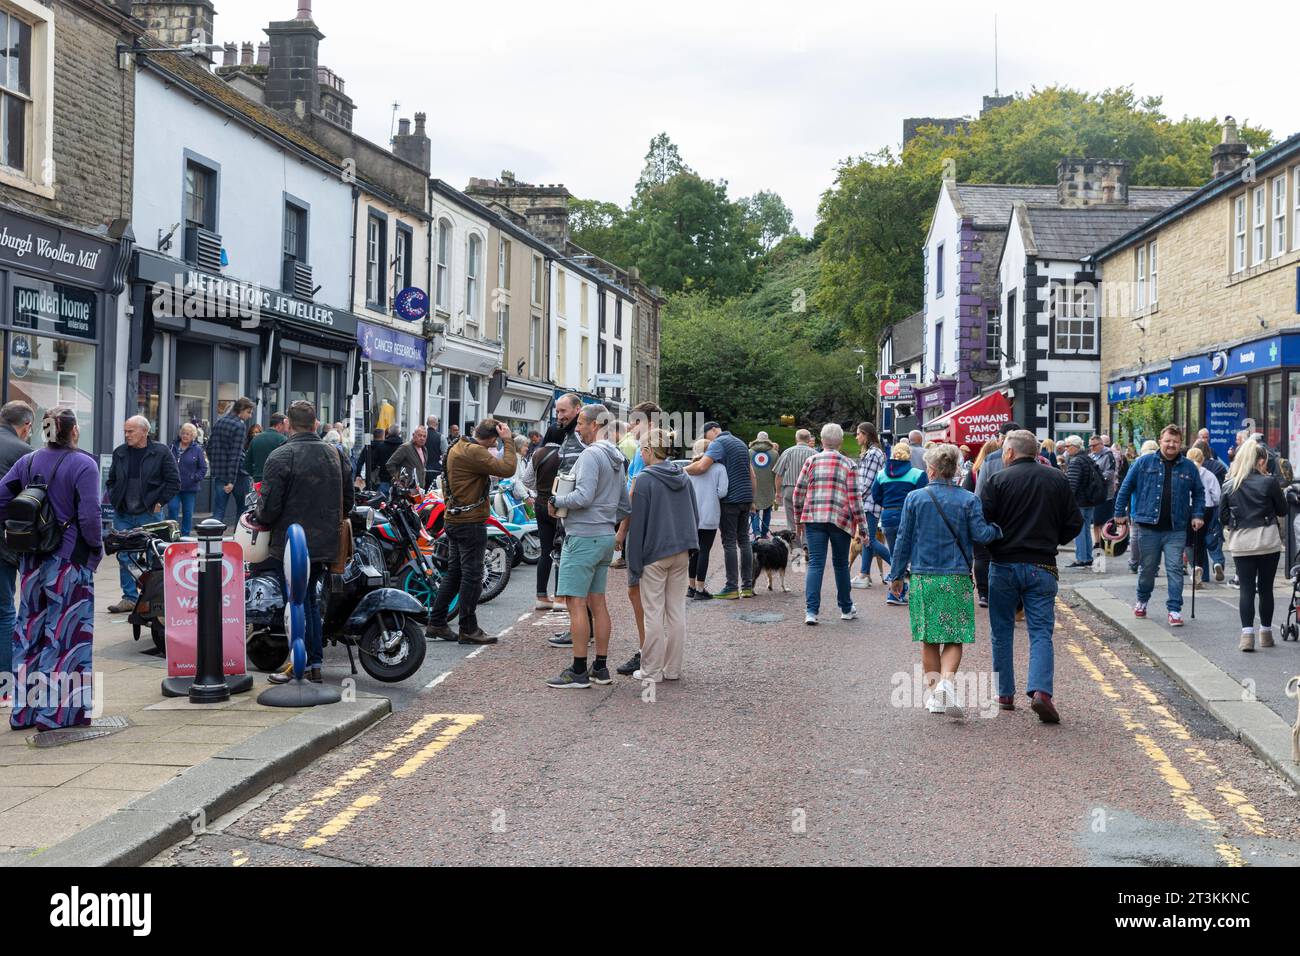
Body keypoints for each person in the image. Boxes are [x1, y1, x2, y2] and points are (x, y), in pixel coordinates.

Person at [0, 407, 102, 728]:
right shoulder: (85, 464)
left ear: (44, 430)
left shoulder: (27, 462)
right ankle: (57, 715)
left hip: (31, 560)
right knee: (66, 637)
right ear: (74, 431)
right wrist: (96, 551)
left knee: (28, 634)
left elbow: (1, 498)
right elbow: (90, 518)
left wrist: (18, 529)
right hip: (69, 562)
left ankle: (23, 713)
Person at [888, 443, 1000, 718]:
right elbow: (982, 535)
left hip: (924, 576)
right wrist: (998, 528)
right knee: (953, 636)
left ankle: (936, 695)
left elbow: (903, 540)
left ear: (932, 469)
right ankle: (947, 684)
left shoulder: (914, 498)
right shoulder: (969, 500)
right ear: (954, 470)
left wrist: (897, 575)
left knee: (928, 639)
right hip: (957, 575)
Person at [979, 429, 1082, 722]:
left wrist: (993, 544)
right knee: (1040, 632)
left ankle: (1005, 694)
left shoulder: (996, 480)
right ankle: (1041, 692)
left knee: (1001, 632)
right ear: (1036, 452)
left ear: (1009, 453)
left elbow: (982, 523)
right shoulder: (1057, 479)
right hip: (1042, 564)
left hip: (1003, 564)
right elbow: (1074, 523)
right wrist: (1053, 539)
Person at [255, 400, 354, 684]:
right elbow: (348, 502)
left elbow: (269, 507)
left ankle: (306, 663)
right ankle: (312, 663)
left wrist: (260, 517)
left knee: (298, 602)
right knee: (309, 600)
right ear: (315, 425)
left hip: (291, 545)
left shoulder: (281, 456)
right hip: (326, 543)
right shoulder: (336, 454)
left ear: (288, 424)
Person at [545, 405, 631, 688]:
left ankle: (578, 670)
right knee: (598, 602)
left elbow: (582, 496)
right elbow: (624, 505)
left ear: (596, 425)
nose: (577, 428)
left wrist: (557, 501)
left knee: (575, 603)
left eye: (581, 423)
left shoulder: (591, 454)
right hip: (605, 534)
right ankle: (601, 667)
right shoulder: (617, 456)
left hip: (583, 536)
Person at [427, 419, 516, 647]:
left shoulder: (458, 445)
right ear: (493, 438)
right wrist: (509, 441)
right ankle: (468, 628)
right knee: (473, 575)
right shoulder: (475, 452)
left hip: (454, 519)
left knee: (455, 573)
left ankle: (437, 622)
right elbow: (507, 469)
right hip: (469, 522)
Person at [621, 428, 698, 683]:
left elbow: (637, 524)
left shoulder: (644, 479)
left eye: (642, 450)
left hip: (654, 554)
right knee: (676, 612)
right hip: (681, 550)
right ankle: (672, 669)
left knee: (653, 613)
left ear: (648, 451)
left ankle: (651, 670)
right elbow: (694, 514)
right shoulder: (683, 475)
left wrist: (633, 565)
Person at [1113, 424, 1205, 627]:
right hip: (1148, 527)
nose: (1171, 445)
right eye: (1168, 441)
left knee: (1174, 568)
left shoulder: (1189, 467)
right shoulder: (1143, 462)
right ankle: (1142, 600)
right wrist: (1119, 513)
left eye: (1175, 441)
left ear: (1181, 444)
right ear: (1161, 441)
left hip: (1176, 528)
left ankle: (1174, 609)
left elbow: (1199, 493)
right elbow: (1125, 488)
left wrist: (1198, 515)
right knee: (1147, 569)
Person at [105, 416, 180, 613]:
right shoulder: (120, 453)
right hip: (123, 514)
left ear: (145, 432)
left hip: (150, 514)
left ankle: (150, 598)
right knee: (124, 555)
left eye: (131, 431)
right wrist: (115, 499)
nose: (127, 435)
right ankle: (129, 598)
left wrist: (159, 503)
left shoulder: (161, 452)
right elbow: (111, 480)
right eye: (125, 431)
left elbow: (174, 481)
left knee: (153, 556)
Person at [793, 423, 865, 625]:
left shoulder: (811, 461)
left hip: (814, 518)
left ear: (822, 441)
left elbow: (799, 492)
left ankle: (811, 611)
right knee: (841, 564)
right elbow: (855, 499)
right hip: (840, 519)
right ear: (841, 441)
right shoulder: (849, 464)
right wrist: (863, 526)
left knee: (815, 563)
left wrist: (798, 520)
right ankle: (845, 607)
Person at [1220, 438, 1287, 652]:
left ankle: (1246, 636)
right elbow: (1283, 510)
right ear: (1260, 461)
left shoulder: (1230, 484)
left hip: (1242, 542)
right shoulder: (1269, 482)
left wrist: (1235, 523)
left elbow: (1222, 516)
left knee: (1246, 589)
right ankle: (1265, 634)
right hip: (1267, 540)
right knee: (1265, 589)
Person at [685, 421, 754, 600]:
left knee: (729, 542)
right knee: (745, 541)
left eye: (706, 436)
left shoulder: (719, 443)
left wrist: (680, 470)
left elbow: (701, 467)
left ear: (713, 430)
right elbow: (751, 474)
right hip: (745, 497)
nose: (707, 442)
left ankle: (731, 587)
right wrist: (752, 498)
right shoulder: (740, 443)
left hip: (730, 500)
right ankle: (747, 586)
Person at [534, 392, 585, 617]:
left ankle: (562, 603)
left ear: (577, 410)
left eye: (563, 411)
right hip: (561, 509)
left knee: (561, 556)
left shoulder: (580, 438)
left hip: (576, 512)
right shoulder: (568, 437)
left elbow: (577, 481)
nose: (559, 416)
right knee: (555, 553)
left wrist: (557, 501)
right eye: (557, 411)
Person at [0, 401, 34, 685]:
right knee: (5, 610)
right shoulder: (24, 453)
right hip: (5, 540)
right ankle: (5, 682)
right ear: (26, 426)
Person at [872, 440, 928, 606]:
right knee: (909, 554)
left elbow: (876, 496)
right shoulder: (918, 474)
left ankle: (896, 590)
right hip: (909, 515)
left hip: (888, 516)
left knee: (896, 553)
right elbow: (922, 497)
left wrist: (888, 505)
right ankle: (900, 591)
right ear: (909, 456)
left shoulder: (882, 474)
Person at [686, 436, 728, 601]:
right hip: (710, 513)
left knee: (693, 552)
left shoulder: (689, 469)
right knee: (704, 550)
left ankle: (690, 586)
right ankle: (700, 588)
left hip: (691, 514)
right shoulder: (719, 468)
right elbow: (722, 492)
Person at [961, 439, 1000, 607]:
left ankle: (983, 594)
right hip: (1000, 518)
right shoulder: (1003, 468)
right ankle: (997, 590)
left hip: (978, 517)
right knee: (996, 557)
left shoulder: (973, 472)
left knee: (981, 556)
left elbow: (966, 494)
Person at [852, 421, 890, 589]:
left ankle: (900, 568)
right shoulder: (874, 452)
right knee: (867, 539)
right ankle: (864, 574)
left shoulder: (873, 453)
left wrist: (855, 498)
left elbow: (867, 482)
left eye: (859, 433)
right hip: (870, 502)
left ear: (866, 435)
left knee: (869, 539)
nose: (856, 437)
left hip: (869, 503)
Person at [207, 396, 254, 527]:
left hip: (220, 473)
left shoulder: (219, 422)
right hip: (237, 475)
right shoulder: (239, 426)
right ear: (241, 410)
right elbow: (235, 455)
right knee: (243, 511)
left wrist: (215, 466)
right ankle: (238, 542)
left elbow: (209, 448)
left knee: (218, 511)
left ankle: (212, 541)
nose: (249, 416)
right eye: (248, 412)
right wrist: (231, 481)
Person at [1182, 446, 1220, 589]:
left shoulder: (1185, 472)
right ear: (1202, 459)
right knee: (1202, 540)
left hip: (1188, 508)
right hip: (1206, 509)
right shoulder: (1209, 475)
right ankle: (1201, 567)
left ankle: (1195, 567)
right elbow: (1217, 496)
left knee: (1189, 542)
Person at [1064, 436, 1104, 567]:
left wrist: (1067, 502)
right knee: (1086, 529)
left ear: (1075, 447)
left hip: (1079, 501)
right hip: (1089, 500)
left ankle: (1082, 558)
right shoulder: (1088, 458)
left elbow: (1072, 484)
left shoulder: (1076, 461)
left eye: (1068, 446)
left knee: (1079, 530)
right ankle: (1087, 557)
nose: (1066, 449)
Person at [1193, 439, 1228, 581]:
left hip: (1193, 510)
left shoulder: (1188, 470)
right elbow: (1217, 494)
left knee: (1197, 542)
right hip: (1211, 509)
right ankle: (1218, 562)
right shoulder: (1216, 468)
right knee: (1213, 538)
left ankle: (1200, 570)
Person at [774, 429, 817, 548]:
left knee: (791, 520)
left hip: (790, 489)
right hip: (809, 491)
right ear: (809, 440)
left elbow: (778, 475)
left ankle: (795, 547)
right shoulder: (815, 454)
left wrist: (778, 493)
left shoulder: (788, 452)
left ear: (796, 438)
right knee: (807, 519)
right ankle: (806, 544)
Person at [166, 423, 208, 536]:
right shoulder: (171, 447)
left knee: (188, 513)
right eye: (184, 433)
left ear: (193, 436)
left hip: (190, 487)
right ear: (180, 434)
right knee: (172, 509)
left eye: (188, 434)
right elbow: (165, 464)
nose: (185, 436)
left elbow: (203, 468)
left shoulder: (197, 450)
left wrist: (195, 477)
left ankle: (185, 536)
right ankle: (172, 534)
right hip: (173, 487)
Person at [1088, 433, 1118, 553]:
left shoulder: (1108, 455)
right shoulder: (1091, 455)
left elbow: (1110, 473)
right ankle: (1097, 542)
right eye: (1090, 445)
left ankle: (1106, 543)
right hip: (1094, 493)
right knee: (1096, 520)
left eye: (1094, 445)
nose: (1091, 448)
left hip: (1105, 493)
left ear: (1101, 444)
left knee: (1106, 521)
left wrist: (1097, 479)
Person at [973, 421, 1021, 496]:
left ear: (1002, 438)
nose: (997, 439)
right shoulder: (1031, 458)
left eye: (998, 436)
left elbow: (980, 491)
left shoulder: (990, 459)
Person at [244, 412, 288, 485]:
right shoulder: (283, 440)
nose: (286, 428)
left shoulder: (255, 439)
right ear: (280, 425)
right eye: (286, 425)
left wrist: (255, 474)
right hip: (276, 481)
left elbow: (247, 463)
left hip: (258, 480)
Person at [748, 431, 777, 539]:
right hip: (768, 486)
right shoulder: (774, 453)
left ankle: (756, 533)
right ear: (768, 439)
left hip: (753, 485)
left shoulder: (749, 452)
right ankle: (764, 533)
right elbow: (776, 472)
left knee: (754, 509)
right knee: (767, 510)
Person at [386, 425, 430, 491]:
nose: (422, 438)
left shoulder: (424, 450)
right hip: (407, 489)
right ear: (413, 435)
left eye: (424, 436)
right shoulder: (406, 447)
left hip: (420, 489)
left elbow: (422, 468)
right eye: (420, 435)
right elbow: (390, 464)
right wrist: (398, 480)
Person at [424, 416, 445, 487]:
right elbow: (446, 454)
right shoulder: (440, 437)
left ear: (427, 423)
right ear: (437, 424)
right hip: (435, 470)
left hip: (421, 470)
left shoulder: (421, 436)